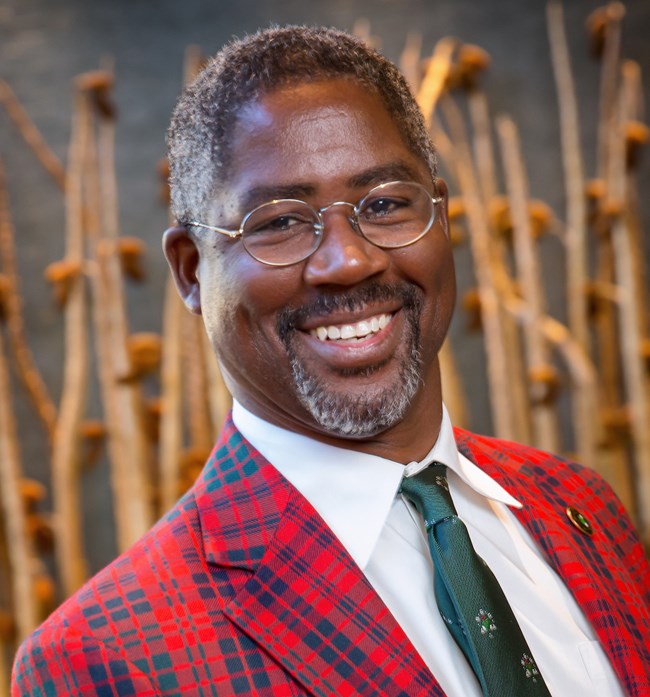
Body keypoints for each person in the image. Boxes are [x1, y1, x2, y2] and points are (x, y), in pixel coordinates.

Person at [12, 25, 650, 697]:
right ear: (192, 270)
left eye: (384, 205)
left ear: (439, 215)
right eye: (280, 221)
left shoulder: (580, 507)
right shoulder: (104, 660)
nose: (349, 260)